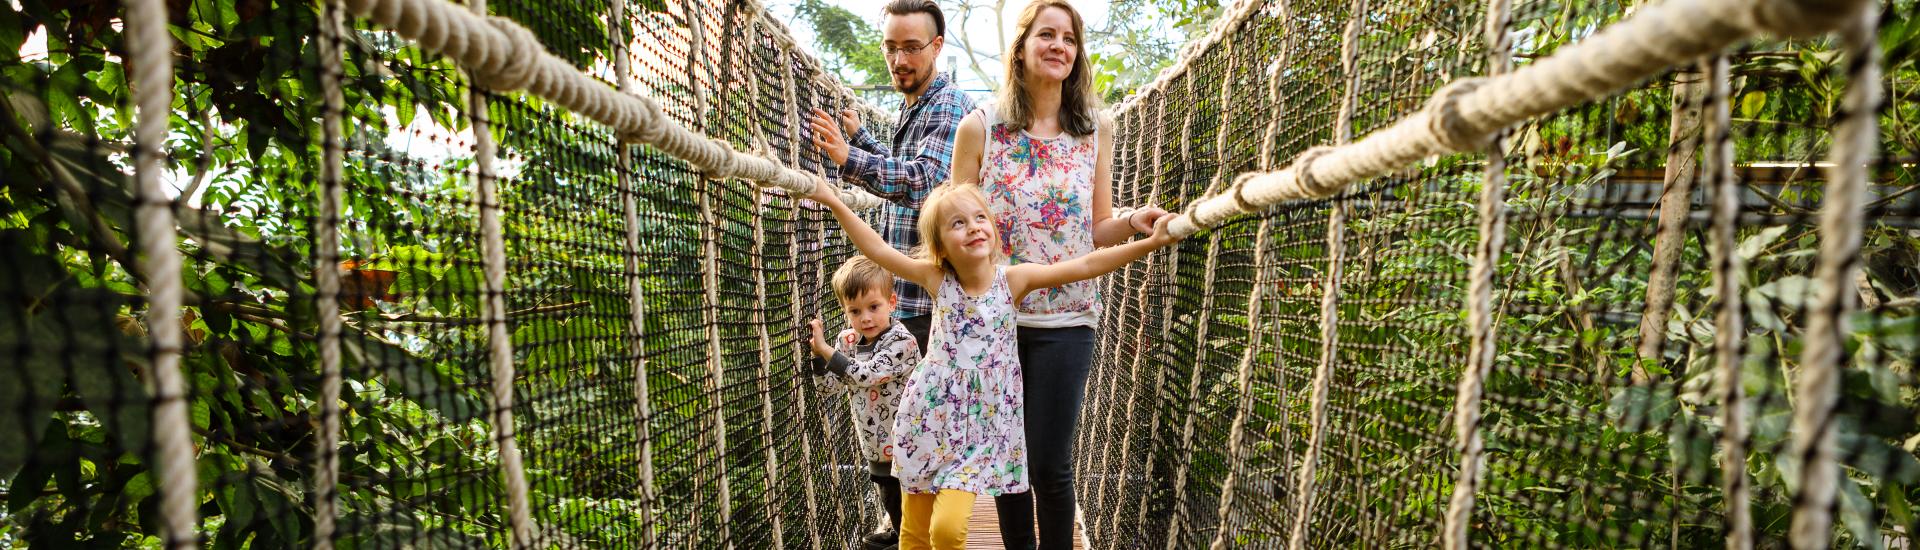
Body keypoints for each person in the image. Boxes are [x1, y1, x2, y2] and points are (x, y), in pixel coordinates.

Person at [807, 181, 1180, 550]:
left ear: (993, 228)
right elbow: (877, 248)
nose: (972, 227)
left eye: (979, 217)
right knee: (914, 534)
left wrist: (1148, 243)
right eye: (957, 223)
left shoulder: (1014, 281)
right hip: (928, 419)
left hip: (980, 431)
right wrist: (831, 200)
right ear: (939, 247)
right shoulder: (938, 280)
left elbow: (1085, 264)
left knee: (948, 531)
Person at [947, 0, 1171, 546]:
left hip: (1070, 318)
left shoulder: (1095, 129)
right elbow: (951, 223)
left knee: (1049, 463)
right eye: (1046, 35)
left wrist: (1132, 221)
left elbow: (1097, 227)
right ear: (1021, 47)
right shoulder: (980, 129)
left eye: (1068, 39)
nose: (1059, 47)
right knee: (1009, 463)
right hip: (996, 318)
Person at [806, 0, 975, 351]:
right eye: (891, 48)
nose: (899, 61)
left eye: (912, 47)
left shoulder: (948, 104)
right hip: (902, 301)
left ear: (937, 46)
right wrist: (861, 140)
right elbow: (903, 165)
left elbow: (925, 183)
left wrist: (848, 156)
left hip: (928, 306)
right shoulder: (914, 105)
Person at [806, 256, 924, 550]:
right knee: (892, 506)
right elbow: (828, 388)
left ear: (892, 302)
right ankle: (900, 535)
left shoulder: (902, 342)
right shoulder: (846, 341)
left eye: (874, 307)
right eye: (855, 311)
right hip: (873, 445)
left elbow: (865, 374)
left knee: (915, 513)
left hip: (911, 444)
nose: (866, 318)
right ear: (846, 312)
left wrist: (826, 351)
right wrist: (818, 358)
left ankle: (911, 541)